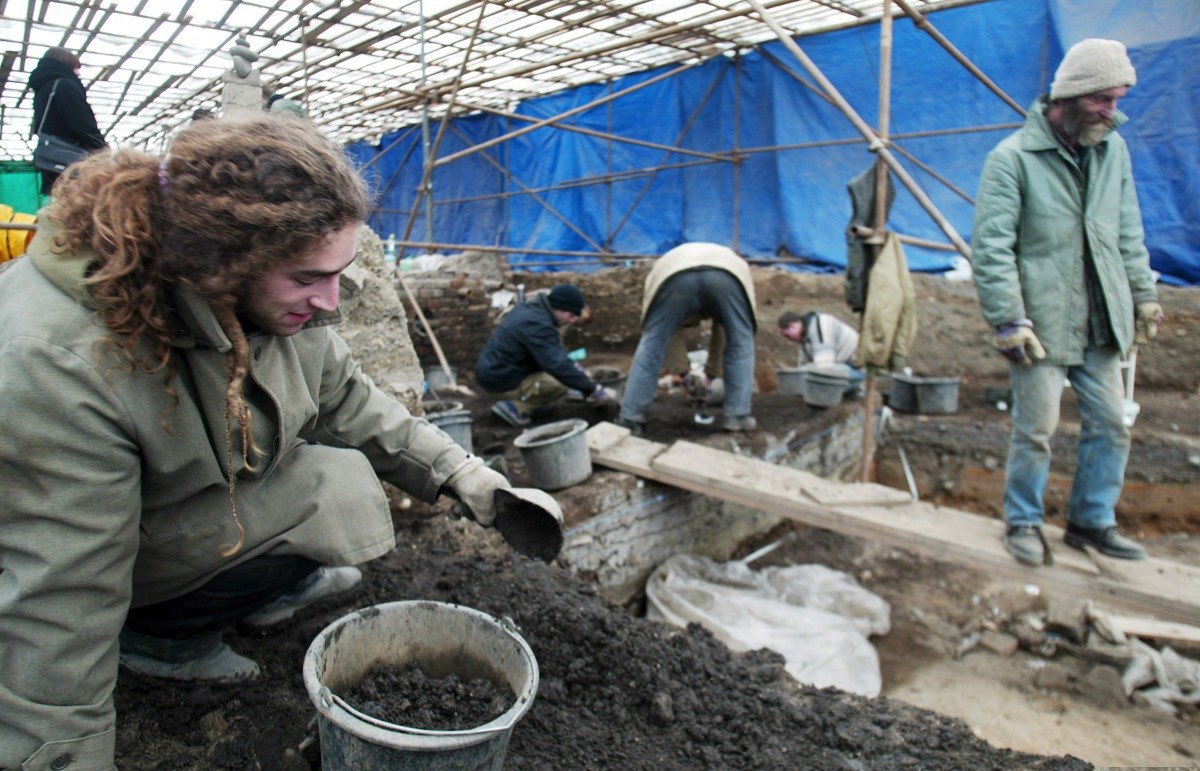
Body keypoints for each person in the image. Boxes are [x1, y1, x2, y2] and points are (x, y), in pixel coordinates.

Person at [0, 114, 513, 769]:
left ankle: (249, 588)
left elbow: (347, 397)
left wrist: (458, 471)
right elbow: (61, 595)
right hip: (84, 549)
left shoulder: (262, 296)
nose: (330, 302)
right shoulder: (61, 357)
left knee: (337, 487)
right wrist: (59, 754)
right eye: (308, 278)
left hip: (175, 506)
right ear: (221, 262)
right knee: (327, 496)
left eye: (338, 272)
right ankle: (158, 641)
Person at [971, 38, 1163, 567]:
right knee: (1036, 429)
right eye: (1101, 99)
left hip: (1100, 319)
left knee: (1112, 424)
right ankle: (1023, 521)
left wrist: (1143, 295)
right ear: (1069, 96)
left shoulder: (1112, 151)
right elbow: (991, 248)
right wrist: (1007, 318)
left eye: (1117, 99)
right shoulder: (1012, 160)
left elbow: (1126, 231)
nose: (1111, 111)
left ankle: (1090, 522)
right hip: (1042, 322)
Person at [618, 242, 757, 433]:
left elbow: (668, 333)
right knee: (740, 344)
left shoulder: (665, 264)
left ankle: (631, 417)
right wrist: (705, 375)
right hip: (727, 276)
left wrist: (686, 374)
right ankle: (737, 417)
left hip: (672, 276)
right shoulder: (733, 262)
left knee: (652, 344)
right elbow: (730, 335)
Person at [475, 283, 614, 426]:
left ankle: (532, 403)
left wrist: (572, 367)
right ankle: (515, 408)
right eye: (571, 315)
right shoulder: (538, 324)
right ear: (559, 308)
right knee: (560, 383)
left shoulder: (533, 309)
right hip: (499, 379)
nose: (571, 321)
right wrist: (592, 390)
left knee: (563, 374)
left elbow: (550, 353)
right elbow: (557, 365)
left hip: (497, 370)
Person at [28, 46, 107, 196]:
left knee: (61, 203)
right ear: (65, 64)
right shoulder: (65, 85)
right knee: (84, 201)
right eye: (76, 68)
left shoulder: (42, 88)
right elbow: (83, 124)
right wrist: (104, 152)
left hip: (50, 158)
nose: (78, 73)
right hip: (71, 160)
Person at [776, 310, 864, 391]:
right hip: (841, 364)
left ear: (792, 326)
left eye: (787, 335)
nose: (788, 339)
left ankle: (858, 388)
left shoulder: (820, 328)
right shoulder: (805, 333)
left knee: (822, 381)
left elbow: (823, 369)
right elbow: (803, 366)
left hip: (857, 369)